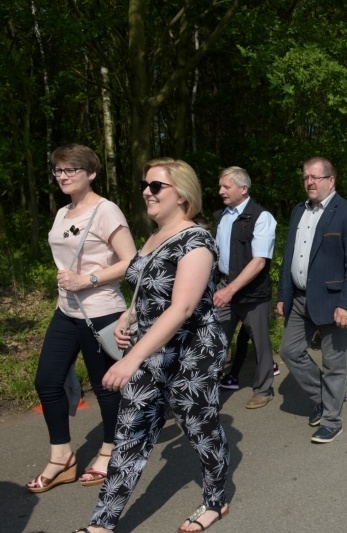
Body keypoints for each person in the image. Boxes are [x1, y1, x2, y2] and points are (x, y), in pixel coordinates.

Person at [76, 158, 229, 533]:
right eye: (145, 184)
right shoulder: (154, 235)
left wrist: (131, 360)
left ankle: (216, 500)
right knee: (129, 433)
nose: (147, 191)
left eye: (157, 185)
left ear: (182, 194)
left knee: (200, 429)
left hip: (193, 352)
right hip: (152, 350)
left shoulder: (197, 240)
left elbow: (183, 306)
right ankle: (102, 524)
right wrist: (129, 318)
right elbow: (145, 287)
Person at [27, 144, 137, 494]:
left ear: (90, 173)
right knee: (47, 381)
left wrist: (87, 279)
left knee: (106, 387)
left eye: (70, 170)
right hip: (66, 311)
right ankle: (62, 458)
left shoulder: (106, 211)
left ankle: (109, 449)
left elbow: (131, 261)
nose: (62, 175)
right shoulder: (62, 213)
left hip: (101, 310)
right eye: (58, 170)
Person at [276, 156, 347, 444]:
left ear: (331, 180)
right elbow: (288, 257)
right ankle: (326, 397)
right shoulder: (297, 212)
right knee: (290, 351)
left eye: (315, 177)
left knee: (334, 363)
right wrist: (283, 294)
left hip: (334, 301)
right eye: (305, 177)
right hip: (301, 299)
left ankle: (331, 419)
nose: (309, 182)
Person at [213, 166, 278, 409]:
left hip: (252, 293)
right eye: (220, 186)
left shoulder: (261, 217)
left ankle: (263, 389)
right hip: (224, 289)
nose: (220, 191)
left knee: (259, 342)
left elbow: (259, 261)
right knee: (216, 341)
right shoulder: (222, 216)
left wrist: (230, 290)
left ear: (243, 188)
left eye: (226, 186)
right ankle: (207, 394)